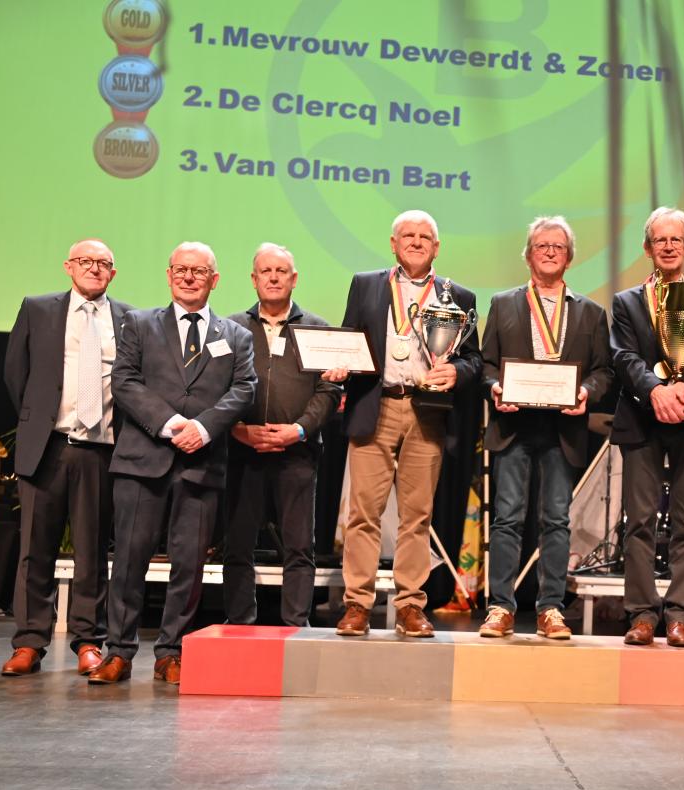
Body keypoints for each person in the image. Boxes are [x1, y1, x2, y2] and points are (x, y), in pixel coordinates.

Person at [89, 242, 256, 686]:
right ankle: (119, 651)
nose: (188, 277)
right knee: (129, 561)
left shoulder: (236, 335)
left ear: (214, 280)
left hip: (201, 463)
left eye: (198, 271)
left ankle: (171, 652)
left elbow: (244, 388)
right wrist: (169, 423)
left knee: (189, 566)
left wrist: (203, 428)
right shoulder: (138, 323)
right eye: (180, 269)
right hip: (142, 461)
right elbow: (124, 380)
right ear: (168, 275)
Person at [327, 211, 480, 638]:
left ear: (437, 247)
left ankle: (411, 604)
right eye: (407, 235)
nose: (416, 241)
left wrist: (457, 372)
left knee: (417, 515)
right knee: (363, 514)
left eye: (425, 236)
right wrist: (339, 365)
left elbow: (474, 359)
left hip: (426, 411)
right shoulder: (366, 284)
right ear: (393, 244)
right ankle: (357, 604)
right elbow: (349, 339)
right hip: (374, 406)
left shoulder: (458, 296)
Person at [478, 216, 613, 639]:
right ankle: (500, 607)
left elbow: (604, 371)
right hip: (513, 424)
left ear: (569, 257)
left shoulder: (591, 312)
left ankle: (551, 609)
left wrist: (585, 392)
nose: (550, 252)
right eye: (542, 245)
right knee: (506, 519)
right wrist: (496, 387)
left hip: (562, 430)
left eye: (558, 246)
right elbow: (485, 364)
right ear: (528, 255)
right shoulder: (503, 304)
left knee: (556, 520)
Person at [1, 239, 131, 677]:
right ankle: (29, 642)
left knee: (91, 552)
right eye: (85, 261)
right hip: (48, 446)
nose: (94, 268)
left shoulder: (129, 318)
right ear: (68, 267)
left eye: (103, 263)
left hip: (101, 450)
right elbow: (16, 374)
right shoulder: (37, 309)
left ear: (113, 273)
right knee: (35, 549)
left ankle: (88, 641)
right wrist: (38, 420)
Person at [610, 207, 684, 647]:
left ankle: (679, 616)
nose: (669, 246)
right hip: (643, 419)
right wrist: (655, 391)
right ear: (647, 248)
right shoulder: (627, 302)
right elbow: (623, 356)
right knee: (639, 522)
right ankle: (642, 615)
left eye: (676, 239)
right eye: (660, 240)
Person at [221, 244, 340, 627]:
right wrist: (237, 429)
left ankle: (295, 627)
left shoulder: (318, 329)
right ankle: (240, 623)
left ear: (294, 278)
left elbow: (328, 391)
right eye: (266, 271)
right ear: (254, 279)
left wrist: (298, 430)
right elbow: (215, 387)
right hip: (244, 452)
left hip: (297, 453)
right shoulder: (230, 327)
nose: (273, 277)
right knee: (238, 545)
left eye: (281, 271)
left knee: (299, 547)